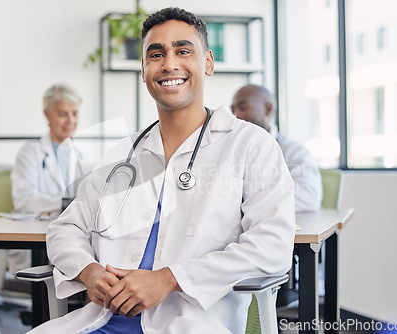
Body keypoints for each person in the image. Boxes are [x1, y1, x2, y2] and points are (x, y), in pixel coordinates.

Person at [33, 7, 295, 333]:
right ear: (143, 70)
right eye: (156, 54)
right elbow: (65, 228)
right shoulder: (124, 154)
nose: (169, 63)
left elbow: (274, 246)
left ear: (208, 62)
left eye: (183, 51)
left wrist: (170, 280)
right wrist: (89, 272)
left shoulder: (250, 145)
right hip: (101, 322)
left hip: (190, 324)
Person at [9, 83, 85, 275]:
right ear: (47, 114)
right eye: (62, 114)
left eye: (74, 114)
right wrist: (64, 203)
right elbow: (24, 200)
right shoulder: (30, 153)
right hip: (37, 241)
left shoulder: (82, 155)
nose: (70, 120)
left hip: (71, 235)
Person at [231, 84, 323, 212]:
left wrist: (250, 202)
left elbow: (308, 197)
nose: (236, 115)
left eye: (243, 107)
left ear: (268, 109)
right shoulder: (231, 150)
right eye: (233, 110)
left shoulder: (293, 151)